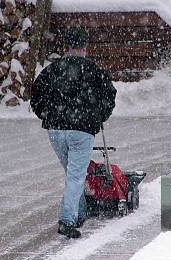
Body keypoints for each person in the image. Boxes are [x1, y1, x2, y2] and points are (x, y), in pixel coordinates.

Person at [30, 27, 117, 239]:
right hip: (81, 130)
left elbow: (36, 95)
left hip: (56, 130)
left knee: (72, 174)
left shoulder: (51, 70)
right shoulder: (94, 70)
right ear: (84, 48)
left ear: (65, 48)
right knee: (76, 176)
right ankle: (67, 220)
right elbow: (109, 95)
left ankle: (80, 212)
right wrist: (99, 117)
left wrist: (47, 116)